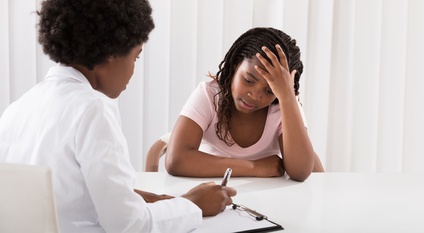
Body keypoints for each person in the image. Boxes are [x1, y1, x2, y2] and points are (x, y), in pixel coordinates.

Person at [0, 0, 236, 232]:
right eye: (135, 57)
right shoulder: (93, 109)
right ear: (111, 53)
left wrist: (155, 201)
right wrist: (193, 204)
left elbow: (67, 195)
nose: (133, 70)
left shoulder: (18, 109)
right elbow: (130, 225)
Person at [165, 27, 324, 182]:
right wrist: (253, 167)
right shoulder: (209, 95)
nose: (255, 96)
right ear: (235, 65)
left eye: (269, 90)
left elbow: (300, 171)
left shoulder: (285, 104)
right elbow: (176, 159)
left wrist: (287, 97)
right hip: (211, 192)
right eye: (248, 80)